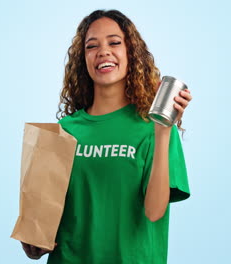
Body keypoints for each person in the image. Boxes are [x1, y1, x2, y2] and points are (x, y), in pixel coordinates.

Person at [20, 9, 193, 264]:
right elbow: (39, 226)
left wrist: (163, 130)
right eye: (92, 46)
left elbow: (155, 212)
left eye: (114, 42)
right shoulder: (62, 131)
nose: (103, 51)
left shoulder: (153, 126)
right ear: (83, 59)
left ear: (131, 53)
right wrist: (33, 239)